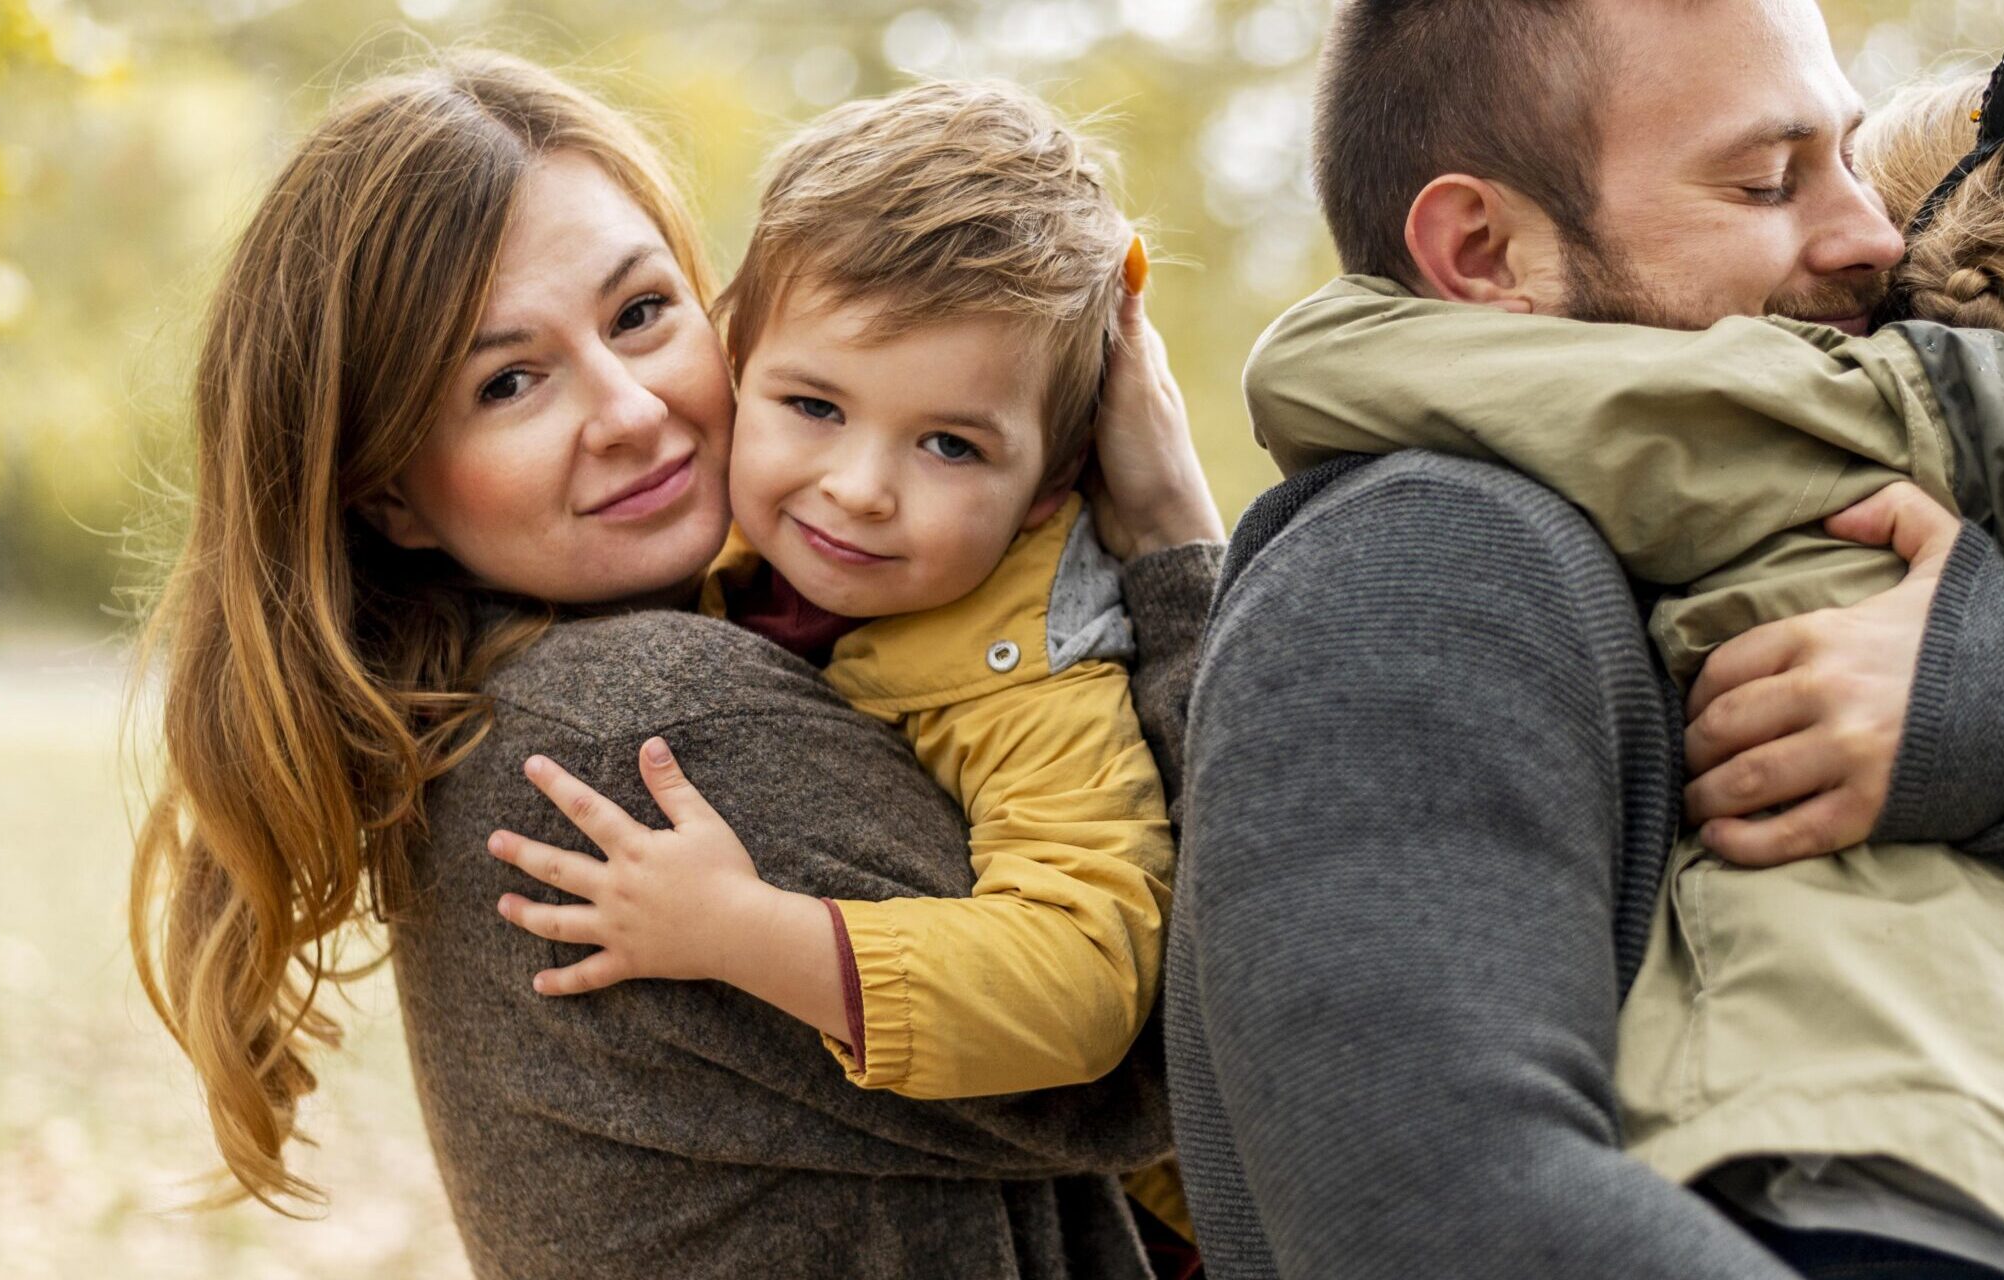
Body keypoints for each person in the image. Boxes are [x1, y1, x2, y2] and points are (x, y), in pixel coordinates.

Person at [1161, 1, 2004, 1276]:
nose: (1874, 236)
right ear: (1483, 250)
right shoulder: (1426, 556)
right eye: (1768, 180)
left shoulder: (1817, 568)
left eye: (1845, 154)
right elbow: (1431, 1205)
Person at [125, 52, 1223, 1279]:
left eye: (642, 312)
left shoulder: (666, 632)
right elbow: (1217, 1054)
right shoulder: (640, 730)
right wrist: (1175, 544)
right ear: (390, 495)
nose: (634, 411)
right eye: (509, 381)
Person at [479, 77, 1197, 1243]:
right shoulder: (713, 545)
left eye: (951, 443)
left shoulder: (1035, 673)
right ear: (735, 360)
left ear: (1047, 489)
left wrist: (739, 929)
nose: (860, 487)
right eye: (814, 404)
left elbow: (1083, 975)